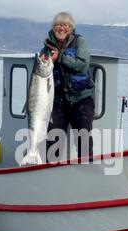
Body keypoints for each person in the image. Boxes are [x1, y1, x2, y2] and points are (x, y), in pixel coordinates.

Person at [40, 12, 94, 163]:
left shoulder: (80, 42)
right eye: (58, 25)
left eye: (65, 25)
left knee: (84, 140)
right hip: (57, 101)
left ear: (71, 28)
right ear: (53, 27)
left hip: (81, 99)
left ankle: (87, 172)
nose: (61, 28)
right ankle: (51, 173)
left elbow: (83, 65)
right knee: (53, 142)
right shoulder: (47, 47)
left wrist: (61, 58)